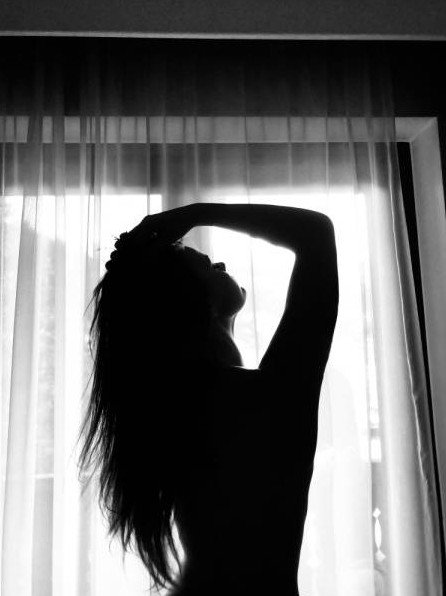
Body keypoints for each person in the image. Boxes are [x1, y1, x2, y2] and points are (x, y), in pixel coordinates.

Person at [78, 202, 339, 596]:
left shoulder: (171, 405)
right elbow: (315, 232)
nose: (217, 262)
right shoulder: (266, 397)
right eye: (203, 264)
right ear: (186, 301)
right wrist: (193, 213)